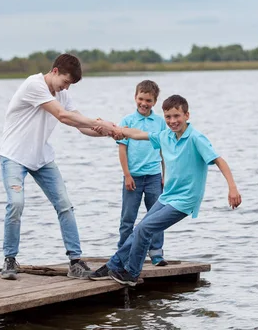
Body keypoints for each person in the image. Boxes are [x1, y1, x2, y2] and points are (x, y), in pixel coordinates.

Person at [88, 94, 242, 286]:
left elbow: (219, 160)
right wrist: (113, 129)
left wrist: (232, 188)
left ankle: (132, 273)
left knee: (144, 229)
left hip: (185, 200)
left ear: (187, 115)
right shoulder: (165, 136)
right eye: (168, 117)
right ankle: (113, 265)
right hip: (167, 195)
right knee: (139, 230)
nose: (172, 121)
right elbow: (137, 134)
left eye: (176, 116)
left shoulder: (195, 138)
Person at [0, 53, 116, 280]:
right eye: (65, 82)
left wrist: (109, 132)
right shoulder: (34, 85)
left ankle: (75, 262)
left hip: (41, 157)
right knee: (16, 204)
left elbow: (79, 123)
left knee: (65, 205)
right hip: (14, 156)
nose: (66, 89)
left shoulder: (61, 93)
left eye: (70, 85)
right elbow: (62, 116)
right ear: (54, 72)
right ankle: (9, 259)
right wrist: (99, 122)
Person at [115, 80, 169, 266]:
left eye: (148, 100)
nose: (144, 103)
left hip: (154, 176)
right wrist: (127, 175)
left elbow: (165, 151)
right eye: (141, 98)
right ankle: (123, 253)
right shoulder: (127, 121)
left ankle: (156, 253)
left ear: (154, 101)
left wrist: (165, 175)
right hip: (133, 177)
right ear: (135, 97)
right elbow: (122, 150)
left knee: (157, 217)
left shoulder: (161, 123)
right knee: (128, 218)